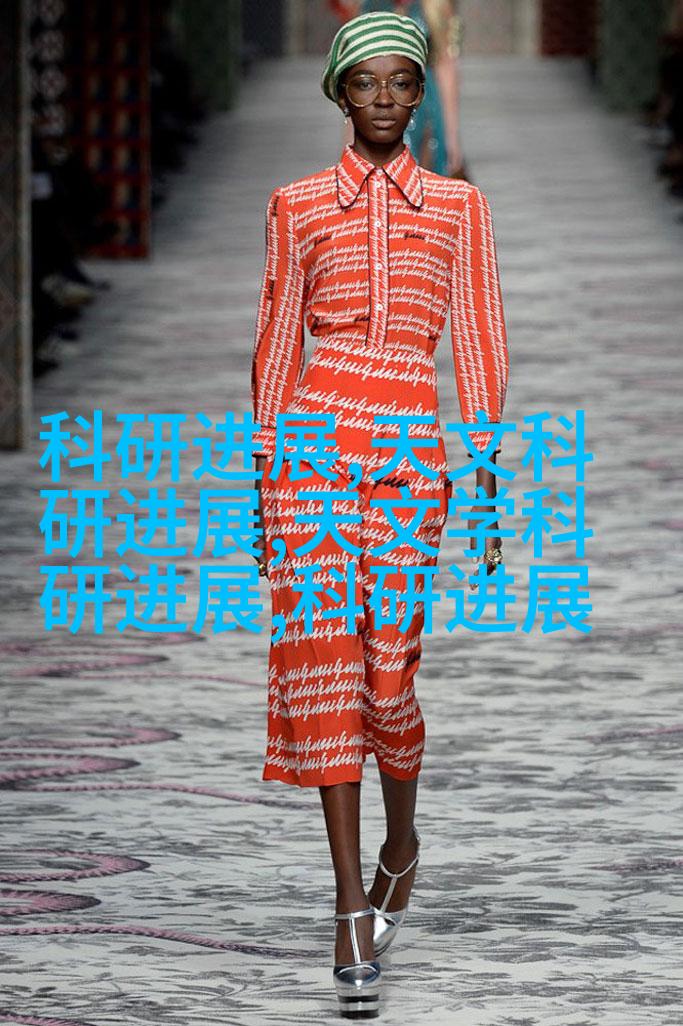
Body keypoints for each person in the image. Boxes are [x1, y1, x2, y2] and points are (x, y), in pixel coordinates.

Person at [250, 10, 509, 1017]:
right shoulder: (294, 204)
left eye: (403, 81)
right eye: (367, 82)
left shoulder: (457, 207)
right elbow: (276, 340)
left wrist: (484, 476)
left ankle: (402, 839)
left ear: (419, 94)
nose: (386, 98)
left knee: (389, 674)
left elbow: (477, 336)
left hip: (406, 450)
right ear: (339, 93)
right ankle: (348, 901)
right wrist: (263, 482)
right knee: (324, 665)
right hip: (314, 447)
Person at [330, 0, 467, 178]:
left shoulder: (435, 5)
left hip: (424, 104)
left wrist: (452, 137)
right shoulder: (367, 7)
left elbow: (445, 65)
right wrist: (350, 135)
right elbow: (355, 75)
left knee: (425, 176)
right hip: (377, 97)